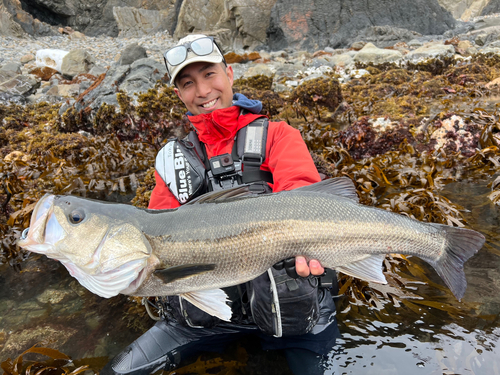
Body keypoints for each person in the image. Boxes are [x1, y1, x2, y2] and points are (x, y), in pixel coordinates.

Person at [102, 34, 340, 375]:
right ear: (178, 94)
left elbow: (302, 196)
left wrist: (309, 248)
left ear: (229, 74)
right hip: (200, 321)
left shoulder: (278, 135)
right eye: (188, 83)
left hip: (292, 314)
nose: (202, 91)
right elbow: (155, 230)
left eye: (209, 75)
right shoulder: (171, 159)